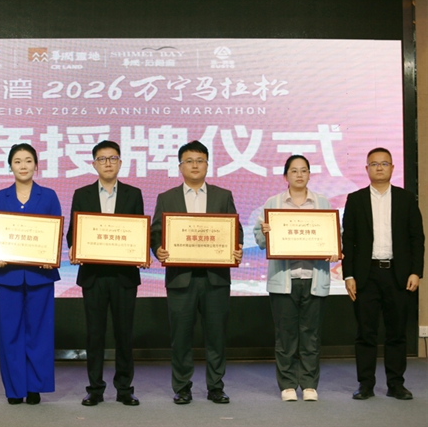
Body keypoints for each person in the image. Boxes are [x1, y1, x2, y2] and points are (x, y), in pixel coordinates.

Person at [150, 140, 243, 405]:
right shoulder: (166, 198)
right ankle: (182, 387)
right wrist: (158, 249)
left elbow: (235, 230)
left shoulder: (222, 196)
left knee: (216, 336)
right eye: (189, 161)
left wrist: (236, 248)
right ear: (180, 166)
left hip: (216, 278)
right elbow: (156, 232)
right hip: (181, 278)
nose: (195, 165)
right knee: (181, 337)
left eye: (200, 161)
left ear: (207, 165)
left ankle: (216, 386)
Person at [66, 140, 147, 407]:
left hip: (124, 277)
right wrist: (75, 247)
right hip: (94, 276)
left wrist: (142, 252)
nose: (108, 163)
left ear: (120, 163)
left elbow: (140, 232)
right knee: (95, 335)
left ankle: (125, 389)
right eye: (102, 159)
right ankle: (95, 389)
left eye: (112, 158)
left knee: (124, 335)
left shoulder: (134, 194)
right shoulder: (82, 194)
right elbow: (73, 233)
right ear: (94, 164)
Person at [254, 155, 340, 402]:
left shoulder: (322, 203)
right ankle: (288, 384)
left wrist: (335, 248)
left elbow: (336, 236)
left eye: (304, 170)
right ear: (286, 176)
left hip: (314, 278)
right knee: (286, 336)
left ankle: (310, 384)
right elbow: (260, 240)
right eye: (294, 170)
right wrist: (265, 232)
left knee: (311, 335)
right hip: (284, 280)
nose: (299, 175)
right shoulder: (273, 203)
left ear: (310, 174)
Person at [342, 147, 424, 401]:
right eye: (374, 164)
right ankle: (365, 384)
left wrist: (416, 272)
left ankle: (396, 384)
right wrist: (349, 275)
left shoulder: (406, 198)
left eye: (384, 163)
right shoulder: (355, 199)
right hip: (366, 275)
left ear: (392, 168)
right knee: (366, 332)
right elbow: (349, 240)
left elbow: (417, 238)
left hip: (398, 275)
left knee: (396, 332)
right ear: (366, 169)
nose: (379, 167)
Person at [0, 143, 61, 405]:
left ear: (36, 165)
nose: (23, 166)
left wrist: (51, 256)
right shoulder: (0, 196)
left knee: (39, 333)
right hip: (7, 275)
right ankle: (14, 388)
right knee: (9, 333)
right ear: (10, 166)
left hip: (40, 276)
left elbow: (56, 234)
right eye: (17, 161)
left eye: (28, 160)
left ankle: (34, 387)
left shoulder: (49, 196)